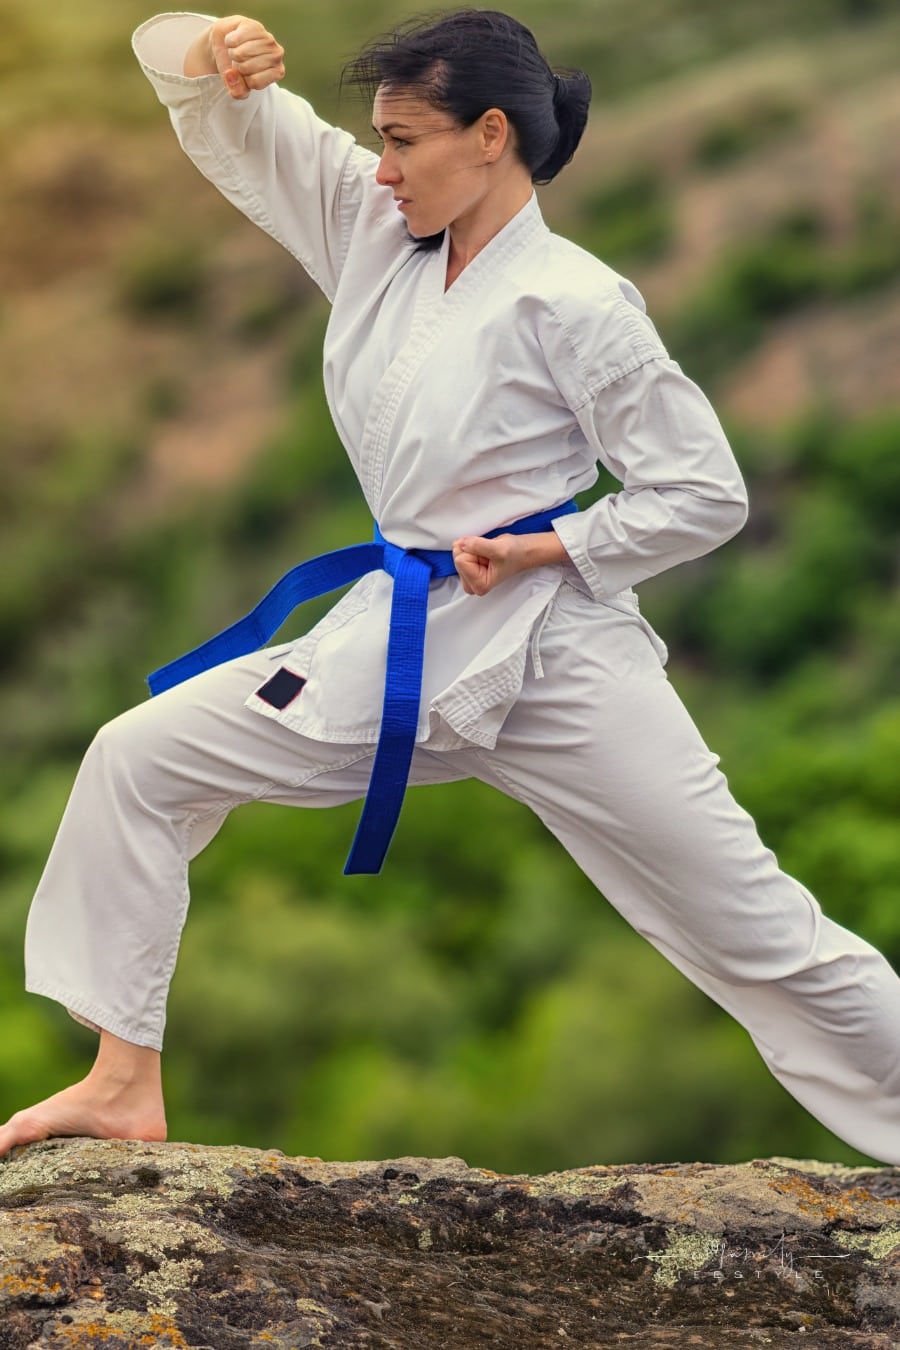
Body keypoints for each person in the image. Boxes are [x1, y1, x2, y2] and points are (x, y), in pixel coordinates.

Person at [2, 8, 898, 1164]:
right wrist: (212, 49)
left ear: (489, 135)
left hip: (561, 658)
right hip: (398, 645)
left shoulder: (577, 302)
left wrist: (548, 549)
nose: (382, 167)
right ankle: (124, 1082)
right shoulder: (375, 230)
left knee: (754, 932)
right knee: (138, 759)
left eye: (405, 140)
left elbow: (704, 491)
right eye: (376, 140)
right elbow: (182, 77)